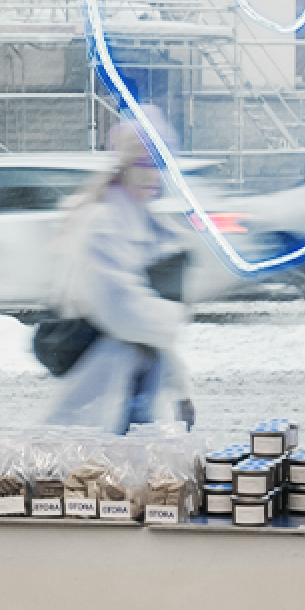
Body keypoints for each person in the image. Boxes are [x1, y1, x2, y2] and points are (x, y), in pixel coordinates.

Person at [38, 120, 194, 431]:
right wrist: (173, 316)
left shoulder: (146, 223)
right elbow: (121, 308)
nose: (152, 174)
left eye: (159, 164)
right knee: (94, 472)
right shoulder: (104, 221)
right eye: (143, 163)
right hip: (102, 386)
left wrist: (180, 388)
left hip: (135, 387)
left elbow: (149, 321)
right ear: (124, 165)